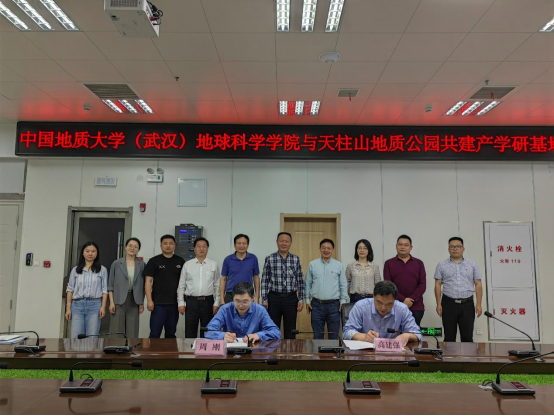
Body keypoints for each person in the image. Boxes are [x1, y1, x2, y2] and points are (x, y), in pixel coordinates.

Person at [435, 237, 483, 343]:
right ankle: (449, 355)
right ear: (448, 249)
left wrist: (479, 304)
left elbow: (478, 284)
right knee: (449, 337)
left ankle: (467, 355)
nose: (455, 249)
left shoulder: (472, 264)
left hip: (467, 304)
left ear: (463, 248)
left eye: (458, 246)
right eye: (452, 247)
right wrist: (438, 304)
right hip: (448, 304)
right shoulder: (441, 265)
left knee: (467, 338)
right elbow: (437, 284)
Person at [343, 281, 422, 345]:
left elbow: (417, 334)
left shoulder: (402, 309)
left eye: (389, 304)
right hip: (366, 354)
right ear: (373, 296)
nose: (383, 308)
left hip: (393, 355)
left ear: (395, 299)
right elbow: (347, 332)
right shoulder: (361, 307)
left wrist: (407, 335)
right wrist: (364, 337)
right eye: (379, 302)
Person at [261, 232, 305, 340]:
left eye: (286, 241)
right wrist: (264, 299)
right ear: (277, 242)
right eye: (281, 241)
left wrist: (301, 299)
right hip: (274, 298)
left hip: (291, 298)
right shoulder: (270, 258)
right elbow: (265, 280)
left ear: (290, 243)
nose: (284, 243)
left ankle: (290, 351)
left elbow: (300, 280)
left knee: (290, 330)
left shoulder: (295, 259)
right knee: (272, 328)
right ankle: (272, 350)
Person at [205, 282, 281, 343]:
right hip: (229, 350)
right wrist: (223, 335)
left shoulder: (260, 310)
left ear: (252, 298)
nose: (241, 305)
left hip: (253, 349)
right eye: (237, 301)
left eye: (245, 302)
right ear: (233, 298)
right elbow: (208, 331)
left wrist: (258, 335)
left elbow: (276, 332)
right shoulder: (225, 309)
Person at [177, 238, 221, 339]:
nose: (201, 249)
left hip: (208, 302)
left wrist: (216, 303)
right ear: (194, 249)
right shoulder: (187, 265)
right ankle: (189, 349)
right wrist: (181, 302)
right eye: (199, 246)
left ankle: (205, 350)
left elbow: (217, 285)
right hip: (191, 303)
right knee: (190, 332)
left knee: (207, 332)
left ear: (207, 249)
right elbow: (181, 285)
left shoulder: (213, 264)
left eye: (204, 246)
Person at [305, 239, 348, 340]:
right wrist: (307, 300)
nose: (326, 250)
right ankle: (318, 351)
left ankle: (332, 352)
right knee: (317, 336)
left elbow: (343, 284)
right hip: (316, 305)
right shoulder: (312, 264)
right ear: (320, 249)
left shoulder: (338, 265)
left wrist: (343, 301)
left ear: (333, 250)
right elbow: (307, 283)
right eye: (323, 248)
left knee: (334, 336)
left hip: (334, 306)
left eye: (329, 248)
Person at [145, 235, 185, 339]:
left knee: (171, 334)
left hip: (174, 304)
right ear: (161, 246)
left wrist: (182, 302)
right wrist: (149, 300)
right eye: (165, 243)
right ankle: (153, 350)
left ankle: (170, 351)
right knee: (155, 334)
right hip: (158, 304)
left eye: (171, 243)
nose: (168, 246)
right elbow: (148, 281)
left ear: (175, 245)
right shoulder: (154, 261)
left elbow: (184, 283)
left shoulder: (180, 261)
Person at [65, 242, 108, 339]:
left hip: (95, 305)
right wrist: (68, 309)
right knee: (76, 337)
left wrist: (103, 307)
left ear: (97, 253)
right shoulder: (75, 270)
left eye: (93, 251)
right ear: (83, 253)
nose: (90, 254)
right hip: (77, 305)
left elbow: (104, 290)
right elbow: (70, 290)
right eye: (87, 251)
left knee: (92, 337)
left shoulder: (102, 270)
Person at [384, 235, 427, 327]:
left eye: (406, 245)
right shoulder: (389, 263)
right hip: (395, 305)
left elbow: (422, 285)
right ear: (396, 246)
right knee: (395, 332)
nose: (402, 247)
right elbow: (388, 285)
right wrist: (403, 300)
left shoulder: (419, 263)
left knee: (413, 332)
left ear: (411, 247)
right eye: (400, 244)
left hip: (416, 306)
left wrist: (410, 300)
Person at [108, 238, 146, 339]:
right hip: (118, 300)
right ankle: (116, 348)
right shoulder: (116, 263)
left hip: (134, 300)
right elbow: (110, 284)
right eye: (130, 245)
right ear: (125, 247)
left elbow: (143, 285)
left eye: (135, 247)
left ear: (138, 249)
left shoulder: (142, 265)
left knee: (132, 331)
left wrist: (141, 302)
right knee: (116, 330)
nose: (132, 248)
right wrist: (111, 302)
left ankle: (130, 348)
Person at [220, 234, 260, 305]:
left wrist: (257, 297)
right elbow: (223, 279)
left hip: (247, 294)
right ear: (234, 245)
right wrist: (222, 299)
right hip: (231, 295)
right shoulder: (228, 259)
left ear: (248, 245)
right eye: (239, 243)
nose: (241, 246)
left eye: (244, 243)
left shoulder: (253, 258)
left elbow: (256, 277)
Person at [346, 239, 382, 304]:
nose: (362, 250)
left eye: (365, 248)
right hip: (355, 298)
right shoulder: (350, 266)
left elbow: (378, 284)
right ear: (356, 250)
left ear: (369, 250)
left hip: (370, 298)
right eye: (359, 248)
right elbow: (347, 282)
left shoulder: (374, 266)